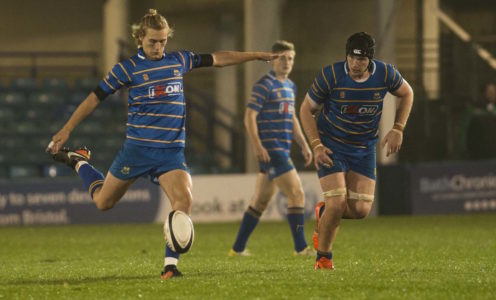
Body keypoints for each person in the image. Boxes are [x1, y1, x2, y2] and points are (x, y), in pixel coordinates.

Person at [45, 9, 278, 280]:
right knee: (102, 203)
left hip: (170, 153)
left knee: (184, 200)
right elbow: (95, 98)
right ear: (140, 38)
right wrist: (67, 129)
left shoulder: (180, 60)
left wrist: (255, 55)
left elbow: (219, 59)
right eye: (152, 41)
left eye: (163, 41)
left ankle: (170, 266)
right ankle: (79, 160)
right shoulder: (127, 68)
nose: (158, 47)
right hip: (137, 150)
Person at [299, 32, 414, 270]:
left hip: (364, 148)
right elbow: (305, 110)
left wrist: (398, 128)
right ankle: (323, 259)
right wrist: (317, 145)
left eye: (361, 59)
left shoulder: (385, 73)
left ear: (370, 59)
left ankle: (325, 213)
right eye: (351, 57)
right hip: (332, 145)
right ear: (346, 55)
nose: (355, 63)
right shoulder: (330, 75)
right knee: (338, 202)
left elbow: (407, 93)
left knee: (361, 210)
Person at [229, 40, 314, 257]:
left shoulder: (290, 86)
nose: (287, 62)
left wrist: (304, 144)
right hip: (271, 149)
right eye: (283, 58)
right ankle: (301, 247)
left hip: (282, 149)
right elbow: (249, 116)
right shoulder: (264, 85)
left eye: (291, 58)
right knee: (296, 193)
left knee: (260, 201)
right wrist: (257, 145)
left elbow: (292, 117)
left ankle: (237, 249)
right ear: (273, 59)